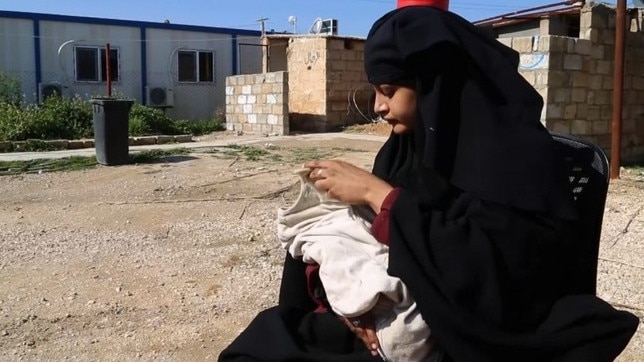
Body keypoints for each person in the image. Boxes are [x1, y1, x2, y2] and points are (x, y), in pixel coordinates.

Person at [219, 4, 639, 362]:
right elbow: (365, 245)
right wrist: (349, 307)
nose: (379, 107)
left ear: (435, 84)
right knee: (266, 339)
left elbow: (497, 277)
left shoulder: (518, 159)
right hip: (388, 316)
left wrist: (379, 196)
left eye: (388, 89)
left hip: (466, 336)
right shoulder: (410, 147)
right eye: (375, 91)